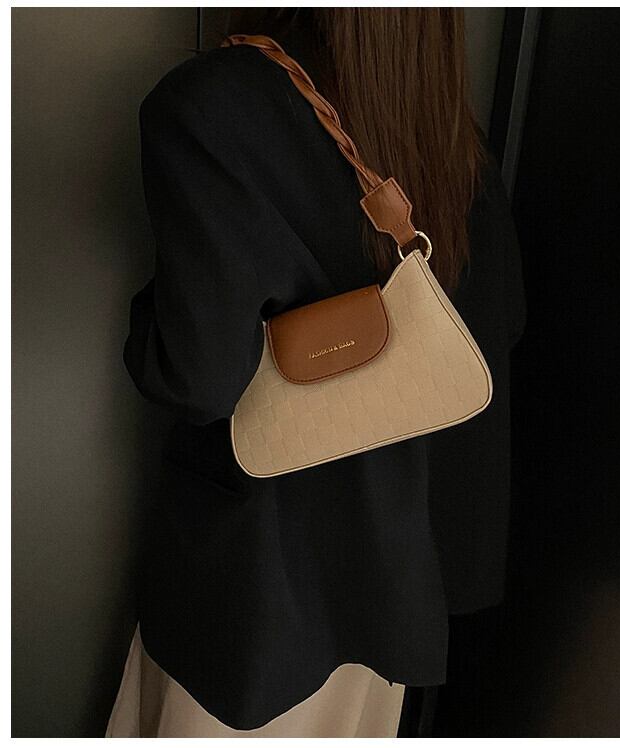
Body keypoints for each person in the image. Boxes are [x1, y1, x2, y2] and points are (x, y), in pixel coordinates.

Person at [106, 7, 525, 738]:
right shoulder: (446, 130)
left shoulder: (213, 103)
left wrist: (147, 322)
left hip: (255, 604)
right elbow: (499, 323)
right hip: (392, 598)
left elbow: (197, 376)